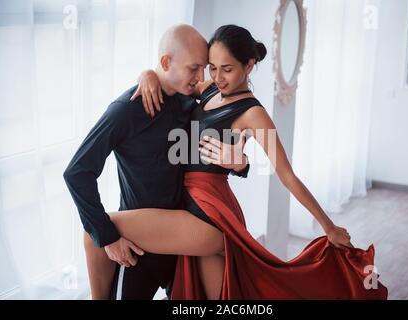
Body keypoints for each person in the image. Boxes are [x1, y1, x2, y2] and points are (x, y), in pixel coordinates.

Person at [83, 24, 388, 299]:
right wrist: (147, 74)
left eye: (226, 69)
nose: (216, 77)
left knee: (98, 228)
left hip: (209, 211)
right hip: (186, 203)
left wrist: (328, 226)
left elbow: (287, 176)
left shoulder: (253, 114)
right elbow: (172, 80)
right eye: (211, 67)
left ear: (249, 65)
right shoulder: (207, 90)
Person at [63, 24, 249, 300]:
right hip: (139, 250)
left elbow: (215, 157)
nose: (200, 78)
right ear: (165, 62)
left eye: (203, 69)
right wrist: (108, 237)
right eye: (194, 69)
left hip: (184, 245)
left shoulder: (190, 104)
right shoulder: (127, 109)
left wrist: (241, 163)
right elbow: (77, 172)